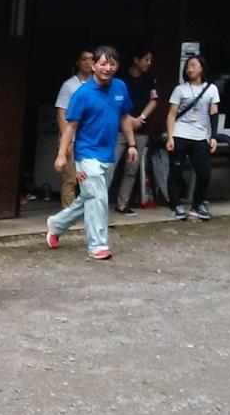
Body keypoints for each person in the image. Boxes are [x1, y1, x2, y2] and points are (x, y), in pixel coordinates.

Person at [47, 45, 135, 261]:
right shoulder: (82, 94)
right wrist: (61, 155)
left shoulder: (120, 87)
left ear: (117, 66)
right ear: (93, 65)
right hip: (86, 155)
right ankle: (98, 245)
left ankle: (57, 224)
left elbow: (125, 117)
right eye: (103, 63)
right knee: (98, 197)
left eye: (112, 63)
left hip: (108, 153)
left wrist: (132, 144)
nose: (107, 68)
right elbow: (71, 126)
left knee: (90, 196)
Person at [165, 54, 220, 221]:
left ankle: (197, 204)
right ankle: (176, 205)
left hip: (200, 135)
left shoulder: (212, 89)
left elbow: (214, 113)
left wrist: (214, 136)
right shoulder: (179, 89)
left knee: (204, 173)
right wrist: (170, 137)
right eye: (188, 66)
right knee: (176, 171)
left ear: (202, 68)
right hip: (180, 133)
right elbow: (171, 114)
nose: (190, 69)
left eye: (194, 65)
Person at [109, 47, 157, 214]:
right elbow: (118, 105)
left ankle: (122, 204)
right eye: (146, 59)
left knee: (132, 168)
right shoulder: (121, 80)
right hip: (119, 129)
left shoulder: (149, 78)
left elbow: (154, 100)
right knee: (109, 166)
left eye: (150, 60)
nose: (149, 63)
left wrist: (141, 118)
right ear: (136, 60)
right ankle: (98, 204)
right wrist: (129, 120)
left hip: (141, 129)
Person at [54, 49, 94, 207]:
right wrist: (68, 141)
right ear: (78, 62)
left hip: (90, 139)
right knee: (70, 179)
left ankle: (88, 213)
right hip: (72, 138)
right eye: (84, 59)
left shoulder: (99, 85)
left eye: (91, 59)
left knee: (90, 178)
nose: (88, 62)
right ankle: (67, 213)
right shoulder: (69, 85)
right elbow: (60, 113)